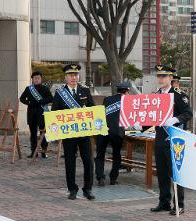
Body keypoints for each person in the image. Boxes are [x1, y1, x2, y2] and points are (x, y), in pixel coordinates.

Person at [137, 65, 192, 215]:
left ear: (171, 78)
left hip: (175, 140)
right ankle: (164, 202)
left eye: (164, 76)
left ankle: (179, 205)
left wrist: (175, 119)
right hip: (160, 138)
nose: (161, 79)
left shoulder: (179, 95)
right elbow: (151, 116)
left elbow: (188, 113)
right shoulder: (156, 95)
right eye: (159, 76)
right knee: (161, 173)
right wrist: (140, 125)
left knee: (175, 173)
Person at [51, 64, 96, 200]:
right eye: (71, 75)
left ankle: (87, 189)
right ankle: (72, 189)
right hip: (68, 134)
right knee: (70, 162)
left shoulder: (85, 91)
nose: (74, 77)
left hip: (84, 133)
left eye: (76, 75)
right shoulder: (60, 93)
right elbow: (54, 113)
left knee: (88, 160)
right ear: (66, 77)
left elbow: (93, 109)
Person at [95, 83, 129, 186]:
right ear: (126, 91)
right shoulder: (128, 101)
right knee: (116, 155)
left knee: (100, 155)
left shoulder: (107, 99)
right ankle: (113, 178)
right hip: (117, 132)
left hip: (103, 129)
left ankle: (100, 178)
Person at [20, 71, 53, 158]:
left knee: (43, 134)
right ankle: (33, 152)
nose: (37, 79)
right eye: (35, 78)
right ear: (32, 79)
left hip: (42, 114)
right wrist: (29, 102)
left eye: (38, 78)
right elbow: (22, 98)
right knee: (33, 134)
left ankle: (44, 151)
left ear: (41, 79)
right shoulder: (28, 89)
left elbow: (51, 99)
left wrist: (42, 101)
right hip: (32, 114)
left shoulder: (45, 88)